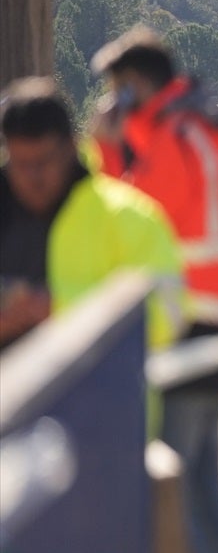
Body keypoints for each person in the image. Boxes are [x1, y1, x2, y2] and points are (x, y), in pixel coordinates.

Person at [89, 30, 218, 553]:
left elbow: (131, 218)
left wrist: (108, 152)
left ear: (136, 85)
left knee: (178, 496)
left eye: (117, 89)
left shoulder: (168, 136)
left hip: (182, 326)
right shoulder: (211, 128)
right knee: (207, 494)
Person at [0, 79, 182, 359]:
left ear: (71, 148)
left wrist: (58, 308)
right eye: (21, 163)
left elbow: (168, 317)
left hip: (99, 401)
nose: (32, 177)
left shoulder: (129, 217)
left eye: (43, 162)